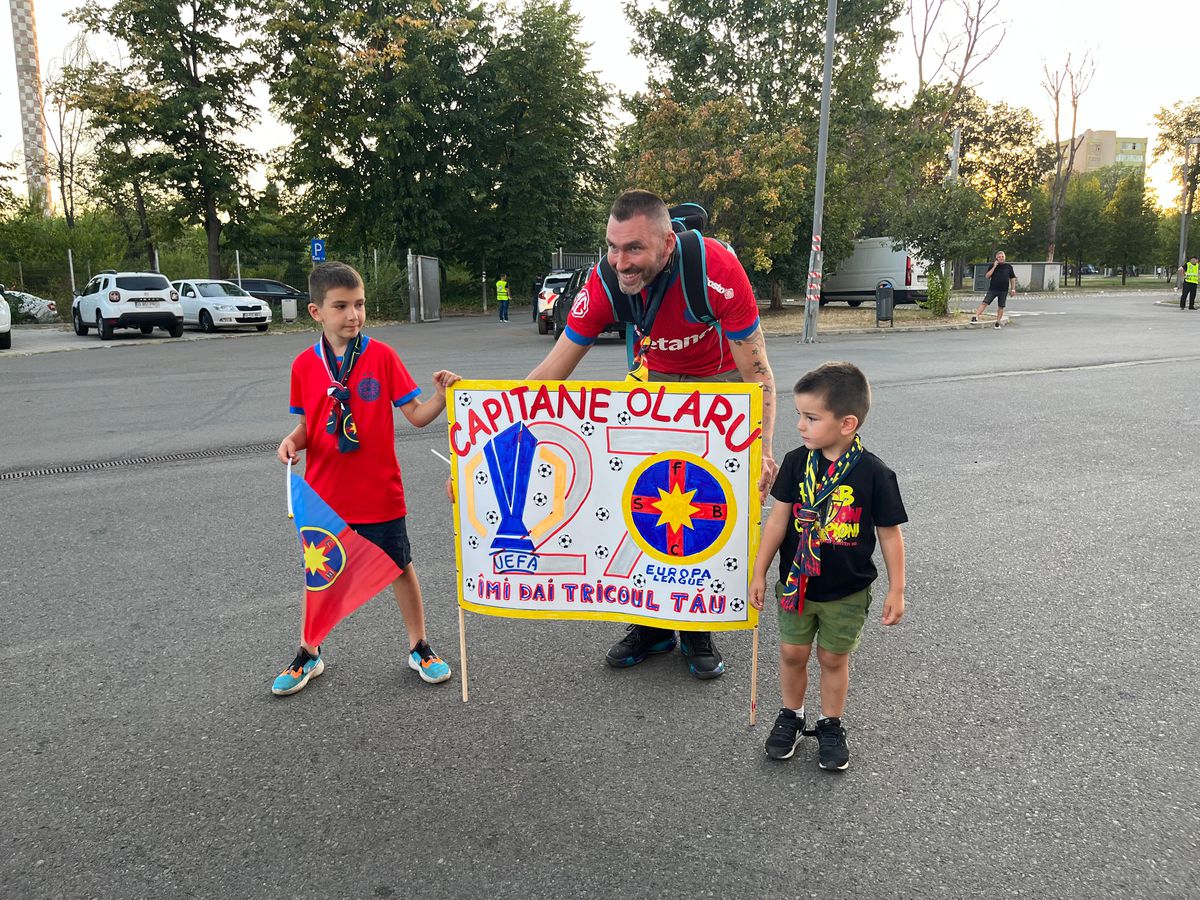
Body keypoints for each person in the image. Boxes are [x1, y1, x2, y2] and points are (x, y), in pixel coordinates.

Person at [526, 189, 778, 680]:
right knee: (641, 498)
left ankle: (697, 628)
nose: (621, 262)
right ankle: (650, 625)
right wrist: (492, 442)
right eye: (613, 247)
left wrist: (763, 450)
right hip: (656, 381)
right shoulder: (604, 281)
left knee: (702, 505)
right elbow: (550, 373)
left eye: (634, 249)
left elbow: (759, 373)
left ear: (667, 244)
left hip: (721, 383)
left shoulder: (716, 271)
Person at [272, 260, 460, 696]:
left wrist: (440, 397)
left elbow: (415, 416)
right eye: (341, 306)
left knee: (399, 567)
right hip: (326, 495)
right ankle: (309, 652)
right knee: (321, 573)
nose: (353, 315)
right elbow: (307, 425)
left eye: (359, 304)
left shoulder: (382, 357)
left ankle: (420, 647)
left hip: (379, 491)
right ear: (317, 312)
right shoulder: (304, 366)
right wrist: (291, 442)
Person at [750, 362, 906, 771]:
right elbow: (779, 520)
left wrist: (897, 588)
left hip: (846, 590)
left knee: (833, 659)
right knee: (791, 652)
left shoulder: (874, 473)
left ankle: (830, 724)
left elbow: (889, 534)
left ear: (846, 423)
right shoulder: (796, 463)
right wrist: (759, 571)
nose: (800, 425)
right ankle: (791, 715)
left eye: (811, 417)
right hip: (797, 584)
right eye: (799, 415)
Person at [971, 251, 1017, 328]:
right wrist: (994, 266)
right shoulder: (992, 266)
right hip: (993, 289)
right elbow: (987, 276)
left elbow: (1012, 278)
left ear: (1005, 257)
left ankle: (998, 322)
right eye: (999, 257)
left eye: (1002, 256)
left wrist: (1013, 289)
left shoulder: (1008, 267)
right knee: (985, 303)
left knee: (1001, 306)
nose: (1001, 258)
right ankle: (976, 317)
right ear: (996, 258)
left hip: (1003, 290)